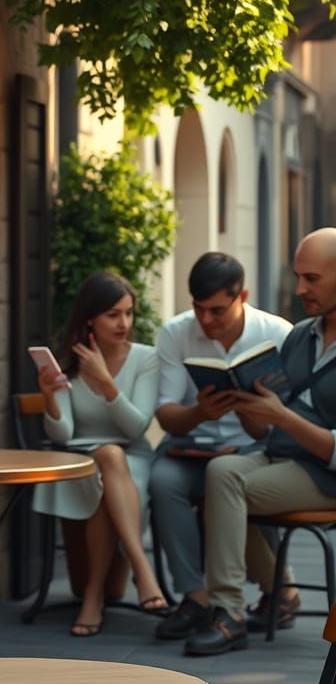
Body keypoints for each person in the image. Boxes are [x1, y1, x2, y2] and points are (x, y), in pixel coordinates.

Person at [185, 229, 336, 655]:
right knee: (219, 471)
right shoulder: (300, 335)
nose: (300, 288)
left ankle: (228, 612)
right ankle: (275, 593)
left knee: (227, 485)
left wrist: (281, 416)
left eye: (312, 279)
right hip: (279, 455)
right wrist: (246, 407)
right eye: (298, 277)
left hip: (324, 474)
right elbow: (265, 431)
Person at [149, 253, 292, 642]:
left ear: (241, 295)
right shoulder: (176, 332)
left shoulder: (278, 333)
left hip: (253, 447)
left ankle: (263, 595)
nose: (206, 321)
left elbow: (284, 423)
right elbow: (166, 415)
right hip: (190, 445)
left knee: (225, 480)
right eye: (198, 309)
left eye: (216, 311)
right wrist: (199, 412)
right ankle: (194, 596)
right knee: (162, 480)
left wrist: (251, 414)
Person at [34, 271, 164, 637]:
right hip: (79, 460)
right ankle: (142, 568)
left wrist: (106, 383)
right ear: (90, 317)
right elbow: (64, 433)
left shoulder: (146, 359)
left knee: (110, 459)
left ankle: (92, 596)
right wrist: (49, 395)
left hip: (132, 458)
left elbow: (136, 428)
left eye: (128, 313)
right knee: (104, 460)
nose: (124, 323)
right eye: (113, 315)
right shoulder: (69, 362)